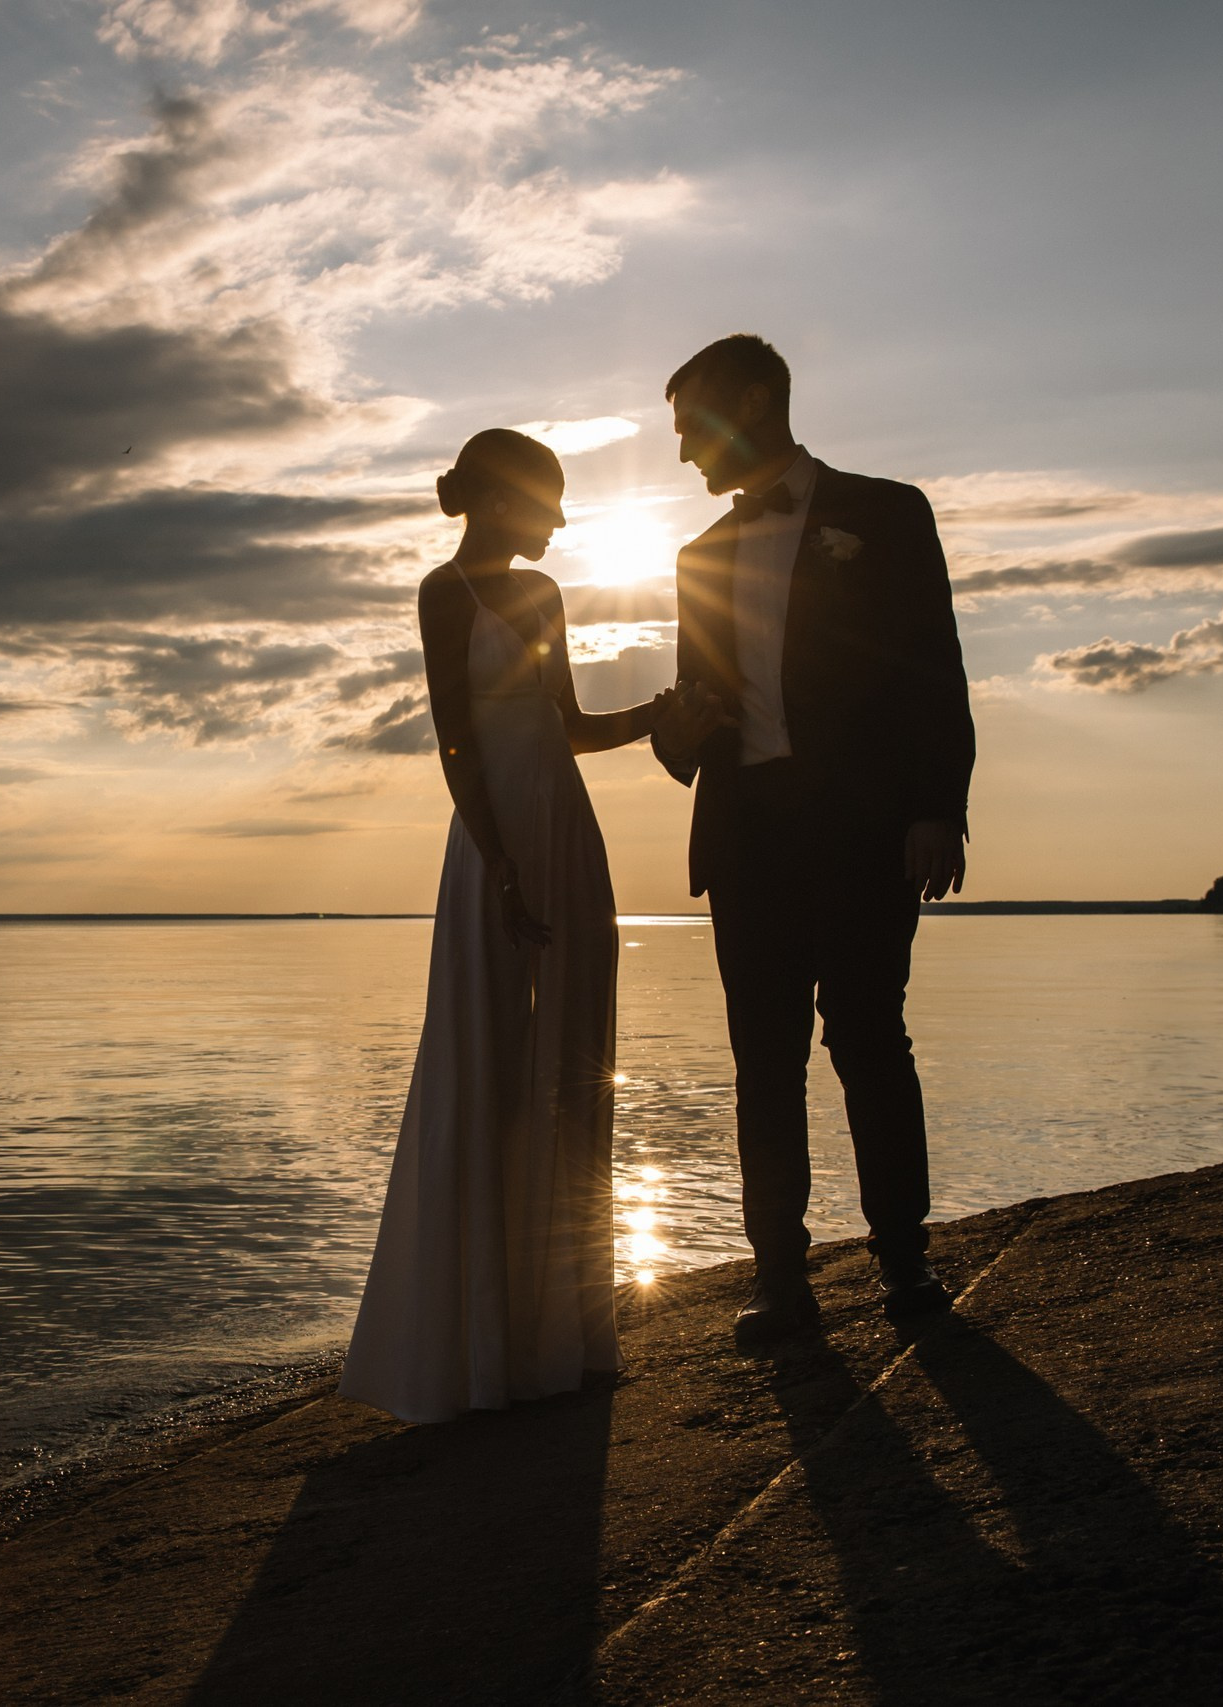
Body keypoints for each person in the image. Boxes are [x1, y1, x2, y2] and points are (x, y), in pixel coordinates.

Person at [340, 429, 675, 1424]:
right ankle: (477, 1347)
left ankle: (558, 1336)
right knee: (489, 1067)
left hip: (564, 827)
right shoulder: (448, 594)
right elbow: (456, 739)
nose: (554, 525)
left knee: (569, 1068)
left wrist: (656, 714)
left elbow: (565, 722)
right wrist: (497, 865)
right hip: (496, 841)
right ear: (496, 498)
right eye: (545, 503)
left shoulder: (547, 597)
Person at [649, 334, 976, 1348]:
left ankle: (904, 1260)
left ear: (753, 401)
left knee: (870, 1039)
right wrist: (676, 728)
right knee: (763, 1059)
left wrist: (936, 807)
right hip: (746, 833)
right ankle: (777, 1278)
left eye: (693, 429)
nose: (684, 456)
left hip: (865, 828)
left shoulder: (884, 513)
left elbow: (931, 667)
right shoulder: (697, 555)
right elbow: (695, 717)